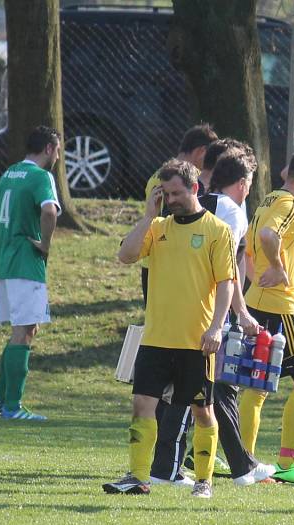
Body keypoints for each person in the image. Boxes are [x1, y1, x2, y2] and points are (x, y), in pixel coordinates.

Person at [103, 158, 236, 498]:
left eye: (176, 193)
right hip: (156, 338)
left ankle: (204, 480)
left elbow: (226, 284)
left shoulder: (217, 231)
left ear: (194, 188)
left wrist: (217, 327)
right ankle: (137, 476)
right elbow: (126, 256)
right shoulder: (158, 227)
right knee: (141, 406)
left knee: (202, 411)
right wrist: (149, 215)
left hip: (196, 341)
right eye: (166, 194)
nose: (171, 200)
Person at [149, 148, 273, 487]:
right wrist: (239, 314)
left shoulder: (175, 216)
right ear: (244, 184)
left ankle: (239, 466)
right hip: (204, 317)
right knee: (195, 394)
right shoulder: (228, 214)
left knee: (207, 393)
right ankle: (169, 468)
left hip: (172, 312)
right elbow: (227, 272)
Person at [238, 149, 294, 485]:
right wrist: (276, 269)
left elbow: (246, 247)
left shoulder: (266, 200)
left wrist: (257, 277)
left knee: (256, 386)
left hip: (257, 301)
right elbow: (265, 237)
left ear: (287, 172)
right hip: (280, 307)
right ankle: (288, 463)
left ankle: (243, 459)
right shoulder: (291, 205)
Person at [0, 126, 61, 421]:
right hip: (26, 263)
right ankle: (13, 407)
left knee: (24, 330)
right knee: (24, 332)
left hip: (2, 262)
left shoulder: (10, 173)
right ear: (50, 149)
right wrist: (45, 243)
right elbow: (49, 211)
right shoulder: (41, 177)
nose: (59, 156)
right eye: (59, 150)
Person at [141, 124, 218, 301]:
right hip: (169, 260)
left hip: (158, 261)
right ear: (201, 150)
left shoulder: (157, 175)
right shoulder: (183, 179)